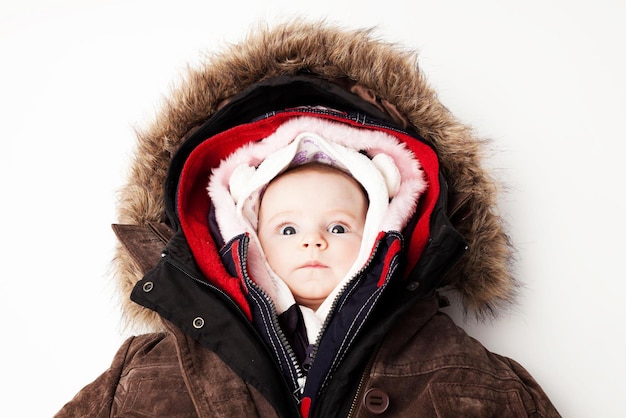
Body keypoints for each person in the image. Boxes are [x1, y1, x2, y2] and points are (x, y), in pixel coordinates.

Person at [55, 20, 561, 417]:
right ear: (243, 238)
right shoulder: (144, 372)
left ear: (382, 237)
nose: (313, 242)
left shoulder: (467, 371)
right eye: (288, 229)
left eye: (338, 228)